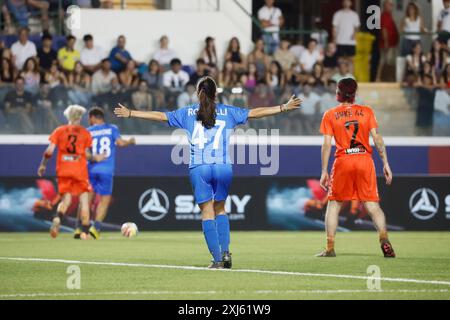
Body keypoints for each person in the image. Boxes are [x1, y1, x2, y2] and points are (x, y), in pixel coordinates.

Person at [114, 76, 302, 268]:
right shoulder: (228, 111)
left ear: (197, 93)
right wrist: (282, 107)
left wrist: (131, 113)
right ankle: (226, 252)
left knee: (207, 212)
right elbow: (255, 113)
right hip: (223, 166)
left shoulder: (187, 113)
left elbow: (160, 116)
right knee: (220, 208)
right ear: (215, 93)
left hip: (200, 167)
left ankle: (217, 258)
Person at [318, 77, 395, 258]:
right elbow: (378, 140)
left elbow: (327, 145)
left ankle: (330, 248)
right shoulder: (367, 112)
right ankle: (384, 239)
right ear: (355, 94)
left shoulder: (330, 114)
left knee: (334, 205)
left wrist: (323, 170)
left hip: (344, 160)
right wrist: (386, 163)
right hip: (364, 160)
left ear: (339, 93)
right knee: (372, 206)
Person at [37, 105, 106, 239]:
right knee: (84, 201)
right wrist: (96, 158)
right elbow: (87, 154)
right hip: (79, 171)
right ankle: (85, 232)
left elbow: (49, 151)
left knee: (66, 200)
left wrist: (42, 166)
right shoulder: (85, 133)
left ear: (68, 116)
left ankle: (57, 218)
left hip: (63, 170)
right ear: (80, 117)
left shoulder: (59, 131)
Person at [78, 107, 136, 239]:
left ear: (93, 117)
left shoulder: (88, 131)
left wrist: (94, 157)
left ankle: (83, 229)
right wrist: (131, 141)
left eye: (89, 117)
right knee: (104, 201)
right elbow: (121, 143)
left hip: (91, 170)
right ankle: (96, 227)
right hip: (106, 170)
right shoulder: (111, 128)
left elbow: (85, 153)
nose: (88, 120)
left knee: (87, 200)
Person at [376, 0, 400, 82]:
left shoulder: (390, 16)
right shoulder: (384, 16)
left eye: (392, 5)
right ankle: (379, 78)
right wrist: (386, 42)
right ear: (385, 6)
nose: (391, 6)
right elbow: (384, 29)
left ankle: (387, 78)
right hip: (386, 45)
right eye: (389, 4)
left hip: (392, 44)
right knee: (384, 61)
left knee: (389, 62)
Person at [332, 0, 360, 66]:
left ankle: (350, 76)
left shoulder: (354, 15)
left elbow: (357, 27)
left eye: (348, 1)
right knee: (340, 60)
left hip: (351, 42)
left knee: (351, 60)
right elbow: (334, 28)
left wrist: (354, 34)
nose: (346, 3)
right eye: (345, 1)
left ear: (351, 3)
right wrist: (334, 39)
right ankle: (340, 76)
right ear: (342, 3)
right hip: (340, 41)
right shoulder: (337, 14)